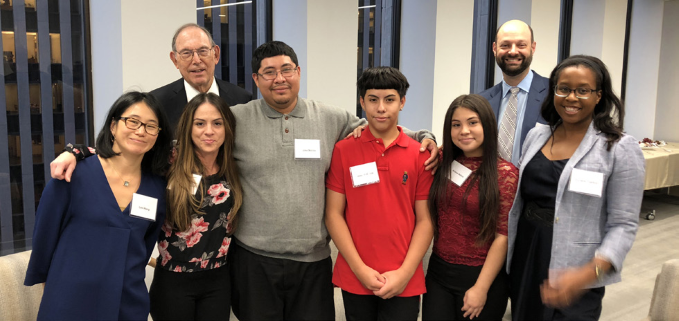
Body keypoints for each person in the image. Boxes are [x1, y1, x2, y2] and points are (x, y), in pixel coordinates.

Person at [48, 40, 439, 320]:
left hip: (313, 260)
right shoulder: (237, 118)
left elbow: (380, 127)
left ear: (299, 73)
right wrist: (80, 150)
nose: (279, 79)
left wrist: (426, 137)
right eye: (269, 72)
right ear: (256, 79)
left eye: (287, 69)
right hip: (252, 262)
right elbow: (142, 146)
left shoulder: (331, 118)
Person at [507, 55, 645, 320]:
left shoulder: (618, 147)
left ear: (598, 96)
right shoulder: (537, 135)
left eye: (583, 90)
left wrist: (585, 274)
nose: (571, 97)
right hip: (527, 255)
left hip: (576, 270)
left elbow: (623, 226)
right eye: (564, 88)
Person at [24, 92, 173, 320]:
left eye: (151, 126)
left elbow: (145, 244)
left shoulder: (157, 188)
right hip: (70, 299)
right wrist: (53, 289)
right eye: (132, 121)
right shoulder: (73, 175)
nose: (141, 131)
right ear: (113, 126)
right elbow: (45, 235)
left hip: (128, 301)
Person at [324, 67, 434, 321]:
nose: (381, 108)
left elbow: (426, 220)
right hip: (357, 272)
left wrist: (405, 273)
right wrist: (360, 269)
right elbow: (333, 214)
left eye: (390, 99)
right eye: (373, 100)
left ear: (402, 102)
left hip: (404, 276)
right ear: (362, 102)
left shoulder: (420, 155)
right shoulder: (343, 150)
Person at [422, 94, 518, 321]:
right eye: (456, 125)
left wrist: (481, 288)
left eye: (472, 123)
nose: (464, 130)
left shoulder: (505, 174)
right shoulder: (444, 160)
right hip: (438, 272)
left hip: (481, 275)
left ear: (487, 124)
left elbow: (502, 237)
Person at [149, 93, 243, 320]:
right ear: (188, 127)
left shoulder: (233, 163)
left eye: (217, 123)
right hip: (173, 281)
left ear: (227, 128)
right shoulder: (168, 159)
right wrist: (76, 152)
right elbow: (119, 160)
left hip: (217, 281)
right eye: (200, 123)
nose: (209, 131)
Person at [151, 23, 252, 134]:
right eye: (186, 53)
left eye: (203, 51)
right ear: (175, 60)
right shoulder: (157, 103)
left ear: (216, 55)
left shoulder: (242, 100)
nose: (196, 60)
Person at [479, 19, 549, 166]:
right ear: (494, 48)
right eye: (505, 45)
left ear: (533, 47)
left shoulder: (554, 95)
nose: (512, 51)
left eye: (521, 45)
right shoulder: (481, 101)